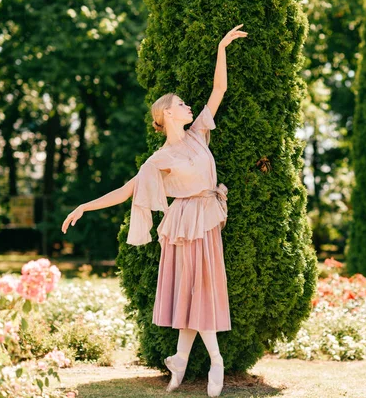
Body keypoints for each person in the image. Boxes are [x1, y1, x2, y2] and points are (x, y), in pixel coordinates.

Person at [61, 24, 247, 397]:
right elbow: (127, 191)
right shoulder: (160, 158)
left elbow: (219, 90)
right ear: (166, 115)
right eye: (180, 104)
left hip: (207, 219)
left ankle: (180, 359)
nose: (187, 105)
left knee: (199, 292)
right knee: (200, 290)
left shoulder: (198, 134)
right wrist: (85, 205)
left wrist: (222, 47)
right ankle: (216, 360)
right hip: (184, 225)